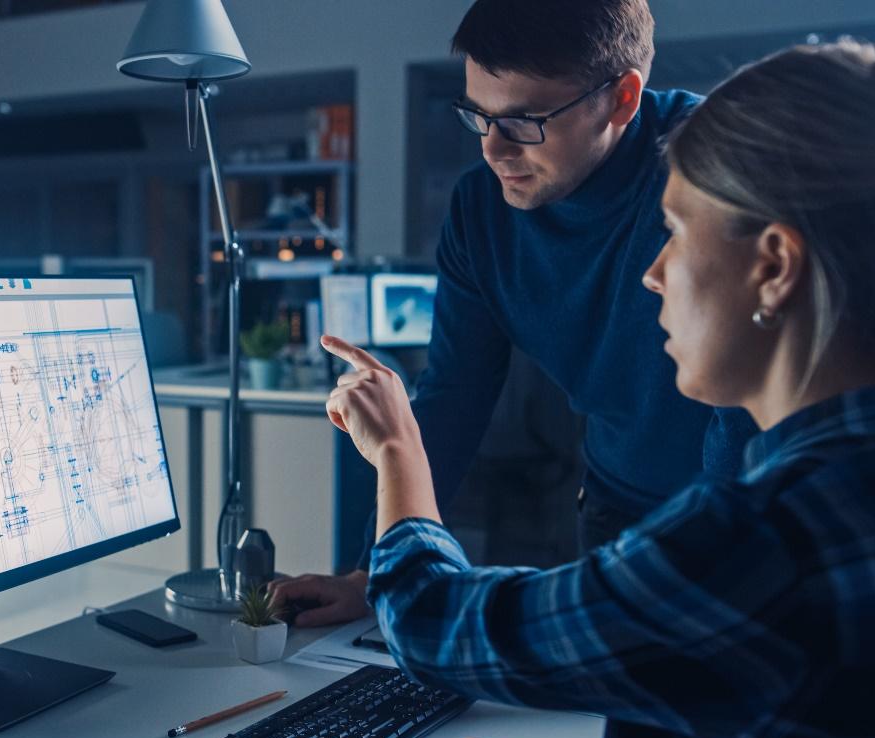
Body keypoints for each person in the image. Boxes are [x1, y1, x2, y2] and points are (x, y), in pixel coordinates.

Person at [323, 42, 875, 738]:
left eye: (676, 230)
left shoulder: (760, 541)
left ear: (774, 266)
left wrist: (395, 449)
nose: (653, 271)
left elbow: (431, 624)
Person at [271, 0, 758, 627]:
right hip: (617, 506)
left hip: (739, 508)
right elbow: (454, 394)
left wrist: (731, 563)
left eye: (526, 121)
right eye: (479, 116)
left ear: (622, 99)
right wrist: (372, 570)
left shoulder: (716, 173)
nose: (495, 151)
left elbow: (746, 406)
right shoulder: (481, 213)